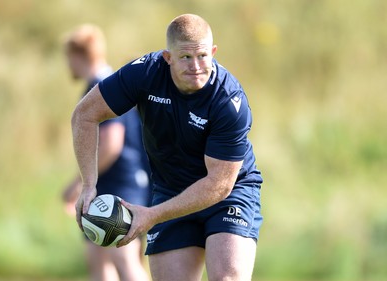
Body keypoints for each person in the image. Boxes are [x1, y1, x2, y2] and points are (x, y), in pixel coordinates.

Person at [72, 14, 263, 281]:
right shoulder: (145, 74)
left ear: (213, 52)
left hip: (228, 194)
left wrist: (151, 215)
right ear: (168, 57)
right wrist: (89, 184)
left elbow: (220, 184)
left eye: (203, 56)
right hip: (171, 188)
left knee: (226, 278)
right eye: (185, 57)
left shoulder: (228, 100)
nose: (196, 66)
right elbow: (85, 114)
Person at [62, 24, 151, 281]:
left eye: (69, 59)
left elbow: (112, 142)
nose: (68, 66)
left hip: (122, 184)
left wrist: (79, 183)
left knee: (125, 261)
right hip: (112, 184)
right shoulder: (106, 81)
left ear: (78, 56)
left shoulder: (104, 84)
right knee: (98, 260)